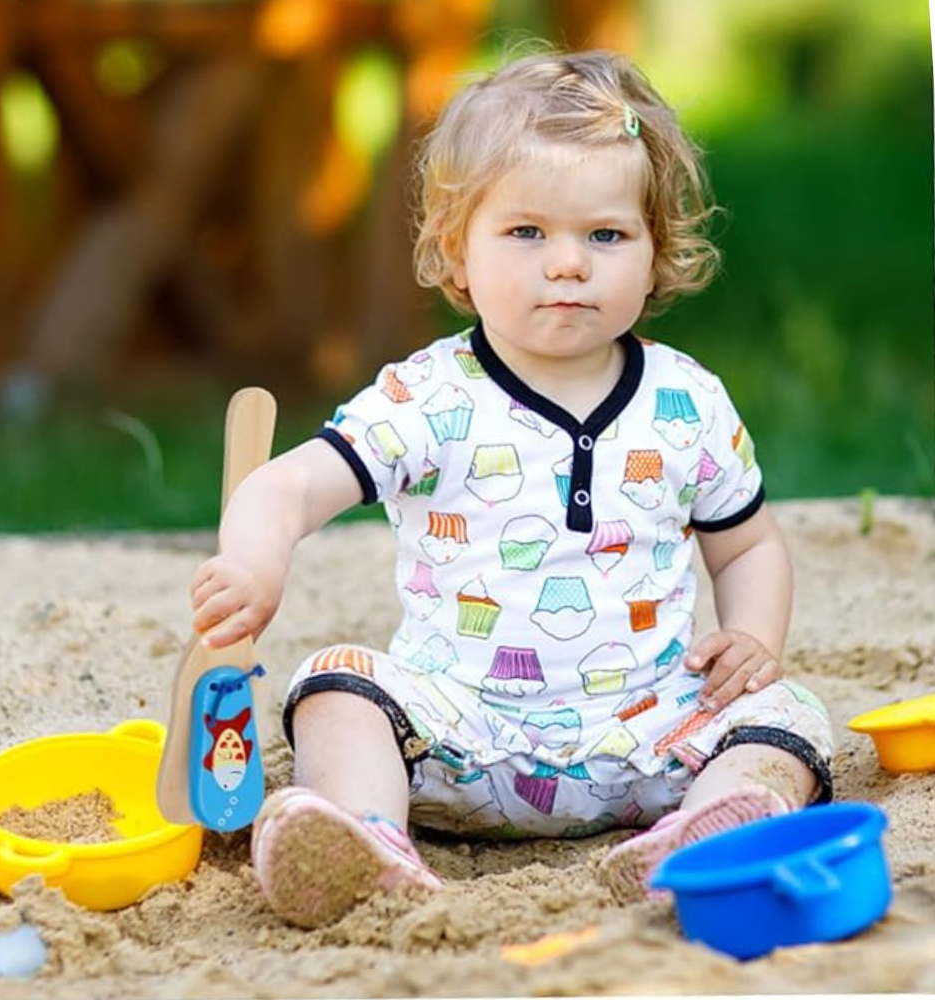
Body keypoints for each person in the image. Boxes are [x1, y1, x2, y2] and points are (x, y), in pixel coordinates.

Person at [190, 48, 833, 929]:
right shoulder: (427, 397)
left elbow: (748, 541)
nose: (567, 264)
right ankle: (364, 839)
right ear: (457, 251)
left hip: (649, 734)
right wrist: (254, 565)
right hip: (460, 738)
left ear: (655, 253)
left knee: (788, 713)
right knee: (335, 684)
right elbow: (289, 486)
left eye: (605, 235)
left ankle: (706, 835)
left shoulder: (687, 402)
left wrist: (754, 635)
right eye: (526, 233)